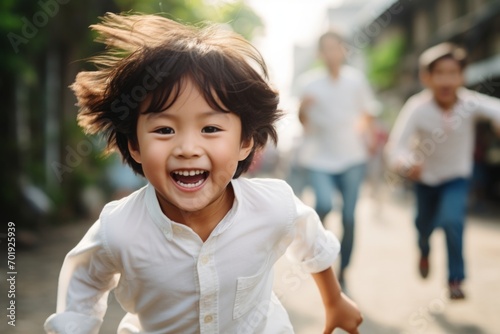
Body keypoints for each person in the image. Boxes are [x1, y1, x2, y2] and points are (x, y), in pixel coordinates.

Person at [43, 13, 362, 334]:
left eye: (210, 128)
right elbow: (83, 282)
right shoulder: (119, 229)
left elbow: (312, 242)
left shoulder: (274, 206)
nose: (187, 148)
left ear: (245, 142)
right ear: (135, 145)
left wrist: (334, 301)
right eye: (165, 129)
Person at [385, 42, 500, 299]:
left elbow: (497, 109)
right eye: (439, 73)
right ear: (426, 77)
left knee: (452, 221)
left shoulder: (470, 103)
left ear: (462, 76)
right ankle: (424, 249)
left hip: (456, 178)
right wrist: (406, 164)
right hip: (425, 180)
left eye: (453, 73)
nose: (446, 80)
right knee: (423, 226)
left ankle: (455, 280)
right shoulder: (417, 107)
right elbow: (396, 147)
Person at [296, 30, 379, 285]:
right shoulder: (309, 84)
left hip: (352, 157)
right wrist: (303, 109)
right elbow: (303, 121)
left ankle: (345, 267)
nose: (332, 53)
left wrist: (365, 132)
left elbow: (369, 112)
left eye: (337, 47)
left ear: (344, 50)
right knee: (323, 204)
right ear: (320, 54)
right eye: (327, 48)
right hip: (320, 158)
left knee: (349, 217)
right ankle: (320, 254)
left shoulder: (356, 80)